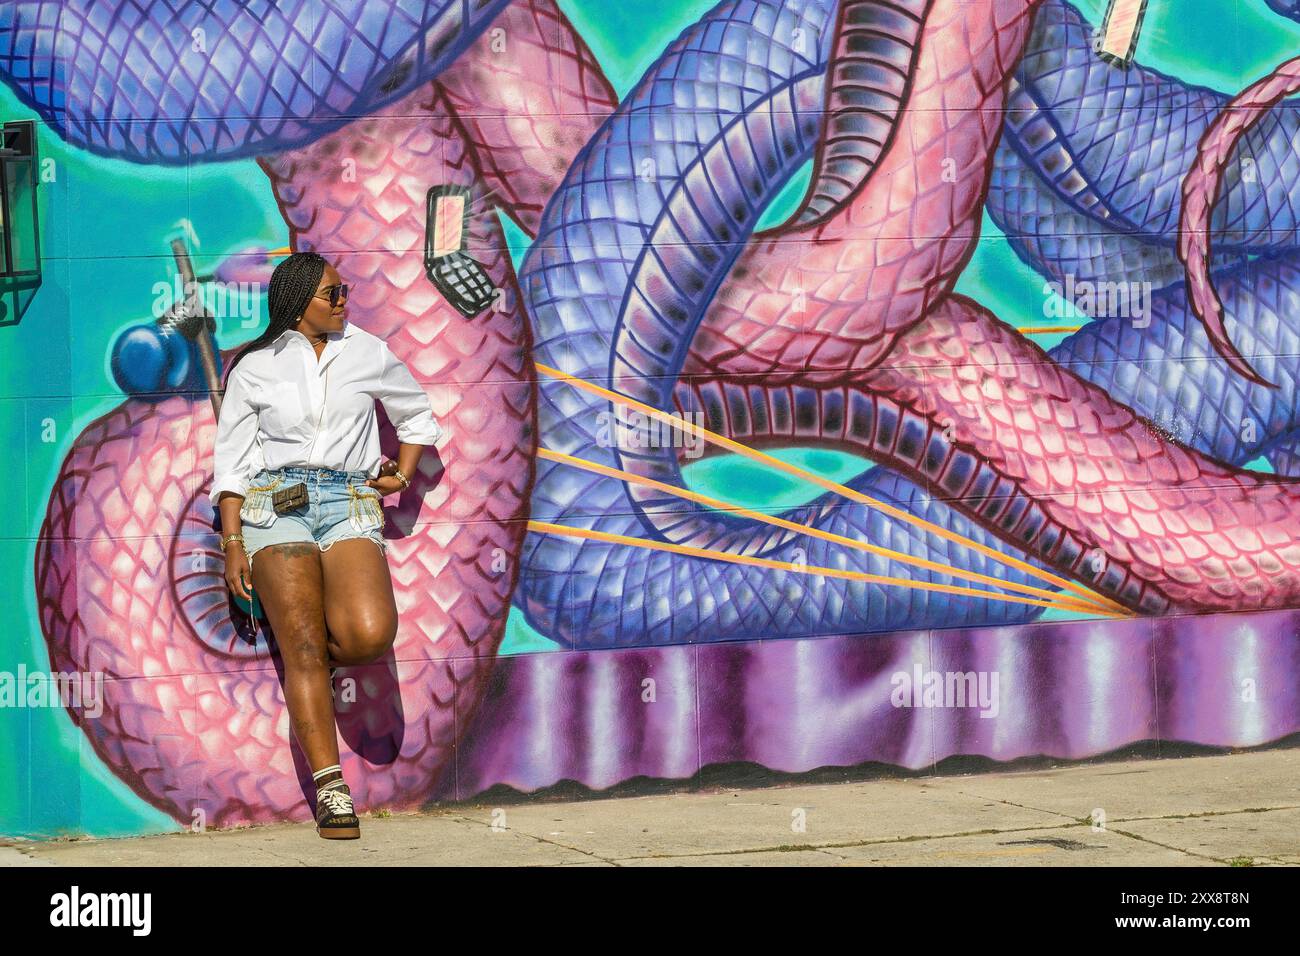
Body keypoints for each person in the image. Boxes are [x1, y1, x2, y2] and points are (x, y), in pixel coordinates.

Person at [209, 251, 443, 839]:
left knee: (369, 633)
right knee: (305, 649)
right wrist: (233, 543)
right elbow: (233, 466)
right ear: (298, 302)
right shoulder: (256, 366)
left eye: (344, 291)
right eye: (331, 295)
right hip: (273, 507)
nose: (344, 301)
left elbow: (415, 416)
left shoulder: (367, 351)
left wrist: (403, 473)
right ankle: (331, 786)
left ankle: (302, 640)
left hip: (348, 502)